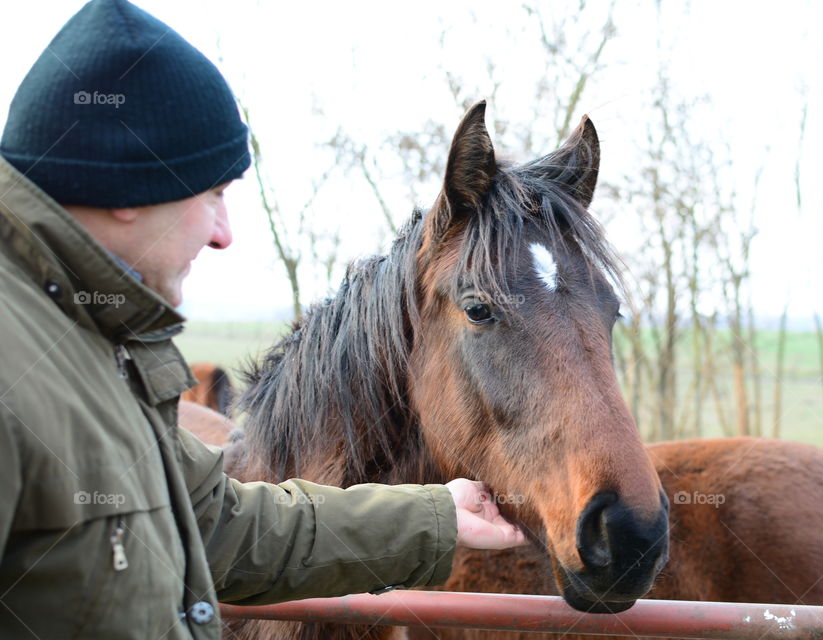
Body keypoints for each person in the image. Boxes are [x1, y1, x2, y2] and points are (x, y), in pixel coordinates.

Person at [0, 1, 525, 638]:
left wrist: (436, 516)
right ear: (128, 188)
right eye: (213, 194)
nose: (223, 234)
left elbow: (214, 524)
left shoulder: (83, 341)